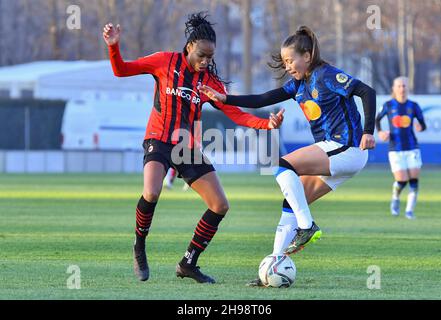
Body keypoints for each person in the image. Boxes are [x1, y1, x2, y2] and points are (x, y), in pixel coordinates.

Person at [102, 12, 284, 284]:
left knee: (219, 205)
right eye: (201, 55)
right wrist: (113, 46)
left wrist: (265, 125)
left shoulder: (209, 81)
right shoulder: (165, 61)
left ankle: (188, 263)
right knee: (151, 191)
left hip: (185, 147)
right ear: (189, 47)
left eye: (210, 57)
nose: (206, 61)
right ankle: (139, 246)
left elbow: (235, 114)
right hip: (159, 139)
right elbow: (121, 70)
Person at [200, 25, 376, 286]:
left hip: (348, 148)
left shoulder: (326, 74)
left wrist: (368, 131)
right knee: (291, 202)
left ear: (307, 56)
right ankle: (272, 266)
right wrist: (224, 99)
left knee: (283, 165)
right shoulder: (298, 85)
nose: (288, 65)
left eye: (291, 60)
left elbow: (367, 92)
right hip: (336, 152)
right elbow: (262, 98)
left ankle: (307, 226)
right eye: (284, 62)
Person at [375, 77, 426, 219]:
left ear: (407, 88)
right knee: (402, 180)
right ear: (394, 88)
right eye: (399, 86)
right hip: (395, 148)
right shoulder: (388, 105)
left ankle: (409, 211)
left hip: (412, 147)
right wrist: (380, 132)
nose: (402, 89)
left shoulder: (414, 106)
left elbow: (423, 124)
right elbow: (377, 119)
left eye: (404, 86)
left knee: (414, 180)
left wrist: (420, 127)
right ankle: (395, 198)